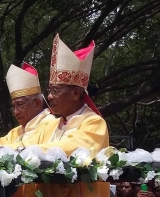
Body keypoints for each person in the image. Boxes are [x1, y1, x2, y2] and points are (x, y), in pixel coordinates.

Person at [13, 34, 110, 197]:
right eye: (49, 90)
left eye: (56, 91)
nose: (49, 96)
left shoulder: (94, 123)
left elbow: (68, 149)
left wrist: (21, 152)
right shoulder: (51, 124)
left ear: (75, 93)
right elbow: (25, 142)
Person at [0, 62, 55, 150]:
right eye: (13, 106)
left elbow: (31, 148)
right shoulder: (16, 132)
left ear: (37, 103)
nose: (16, 111)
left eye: (20, 104)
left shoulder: (51, 124)